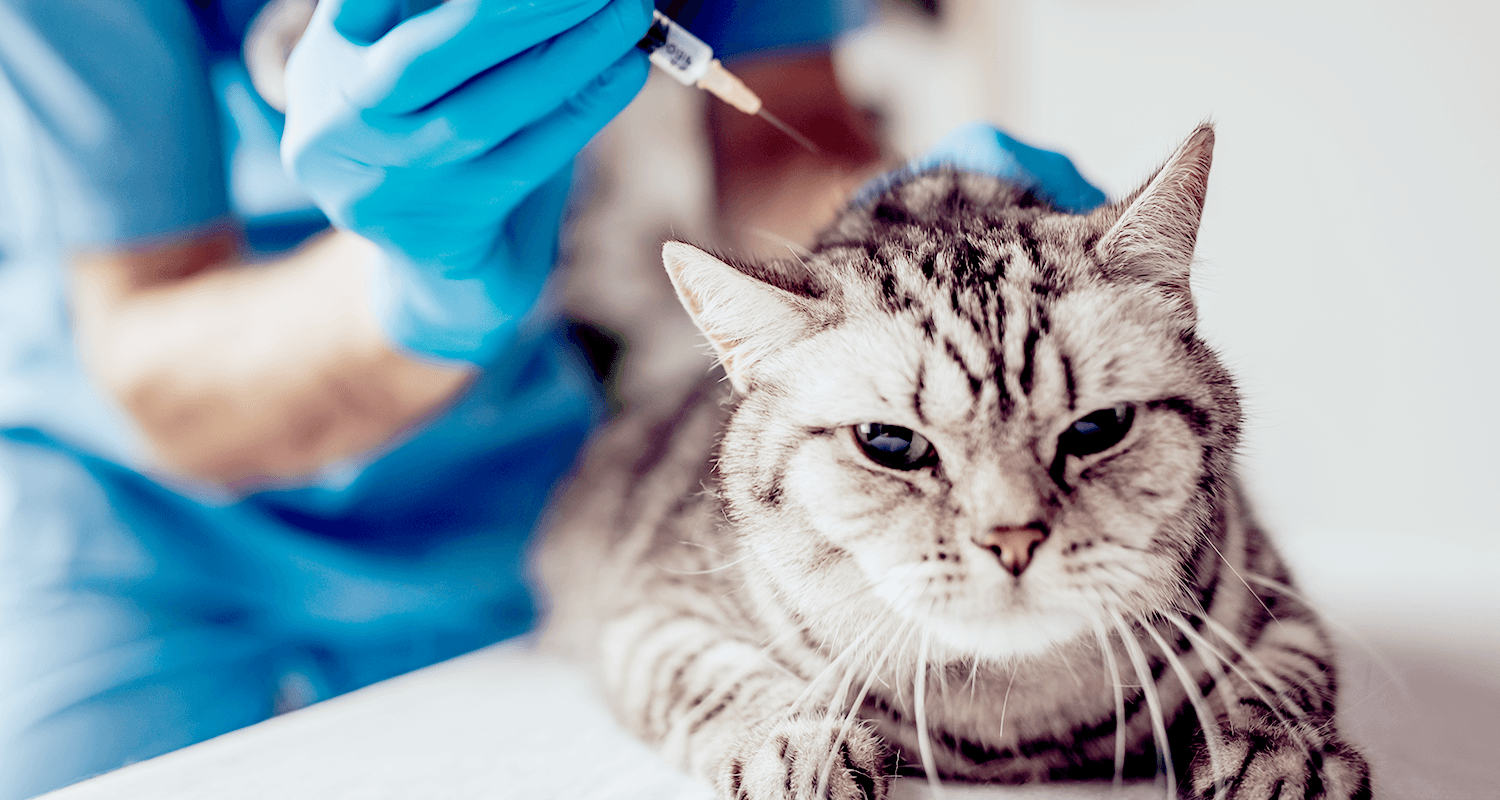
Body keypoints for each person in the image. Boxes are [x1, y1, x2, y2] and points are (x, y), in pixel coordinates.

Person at [0, 0, 1100, 796]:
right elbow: (149, 341)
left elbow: (778, 125)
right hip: (137, 525)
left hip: (522, 496)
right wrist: (410, 292)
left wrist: (888, 245)